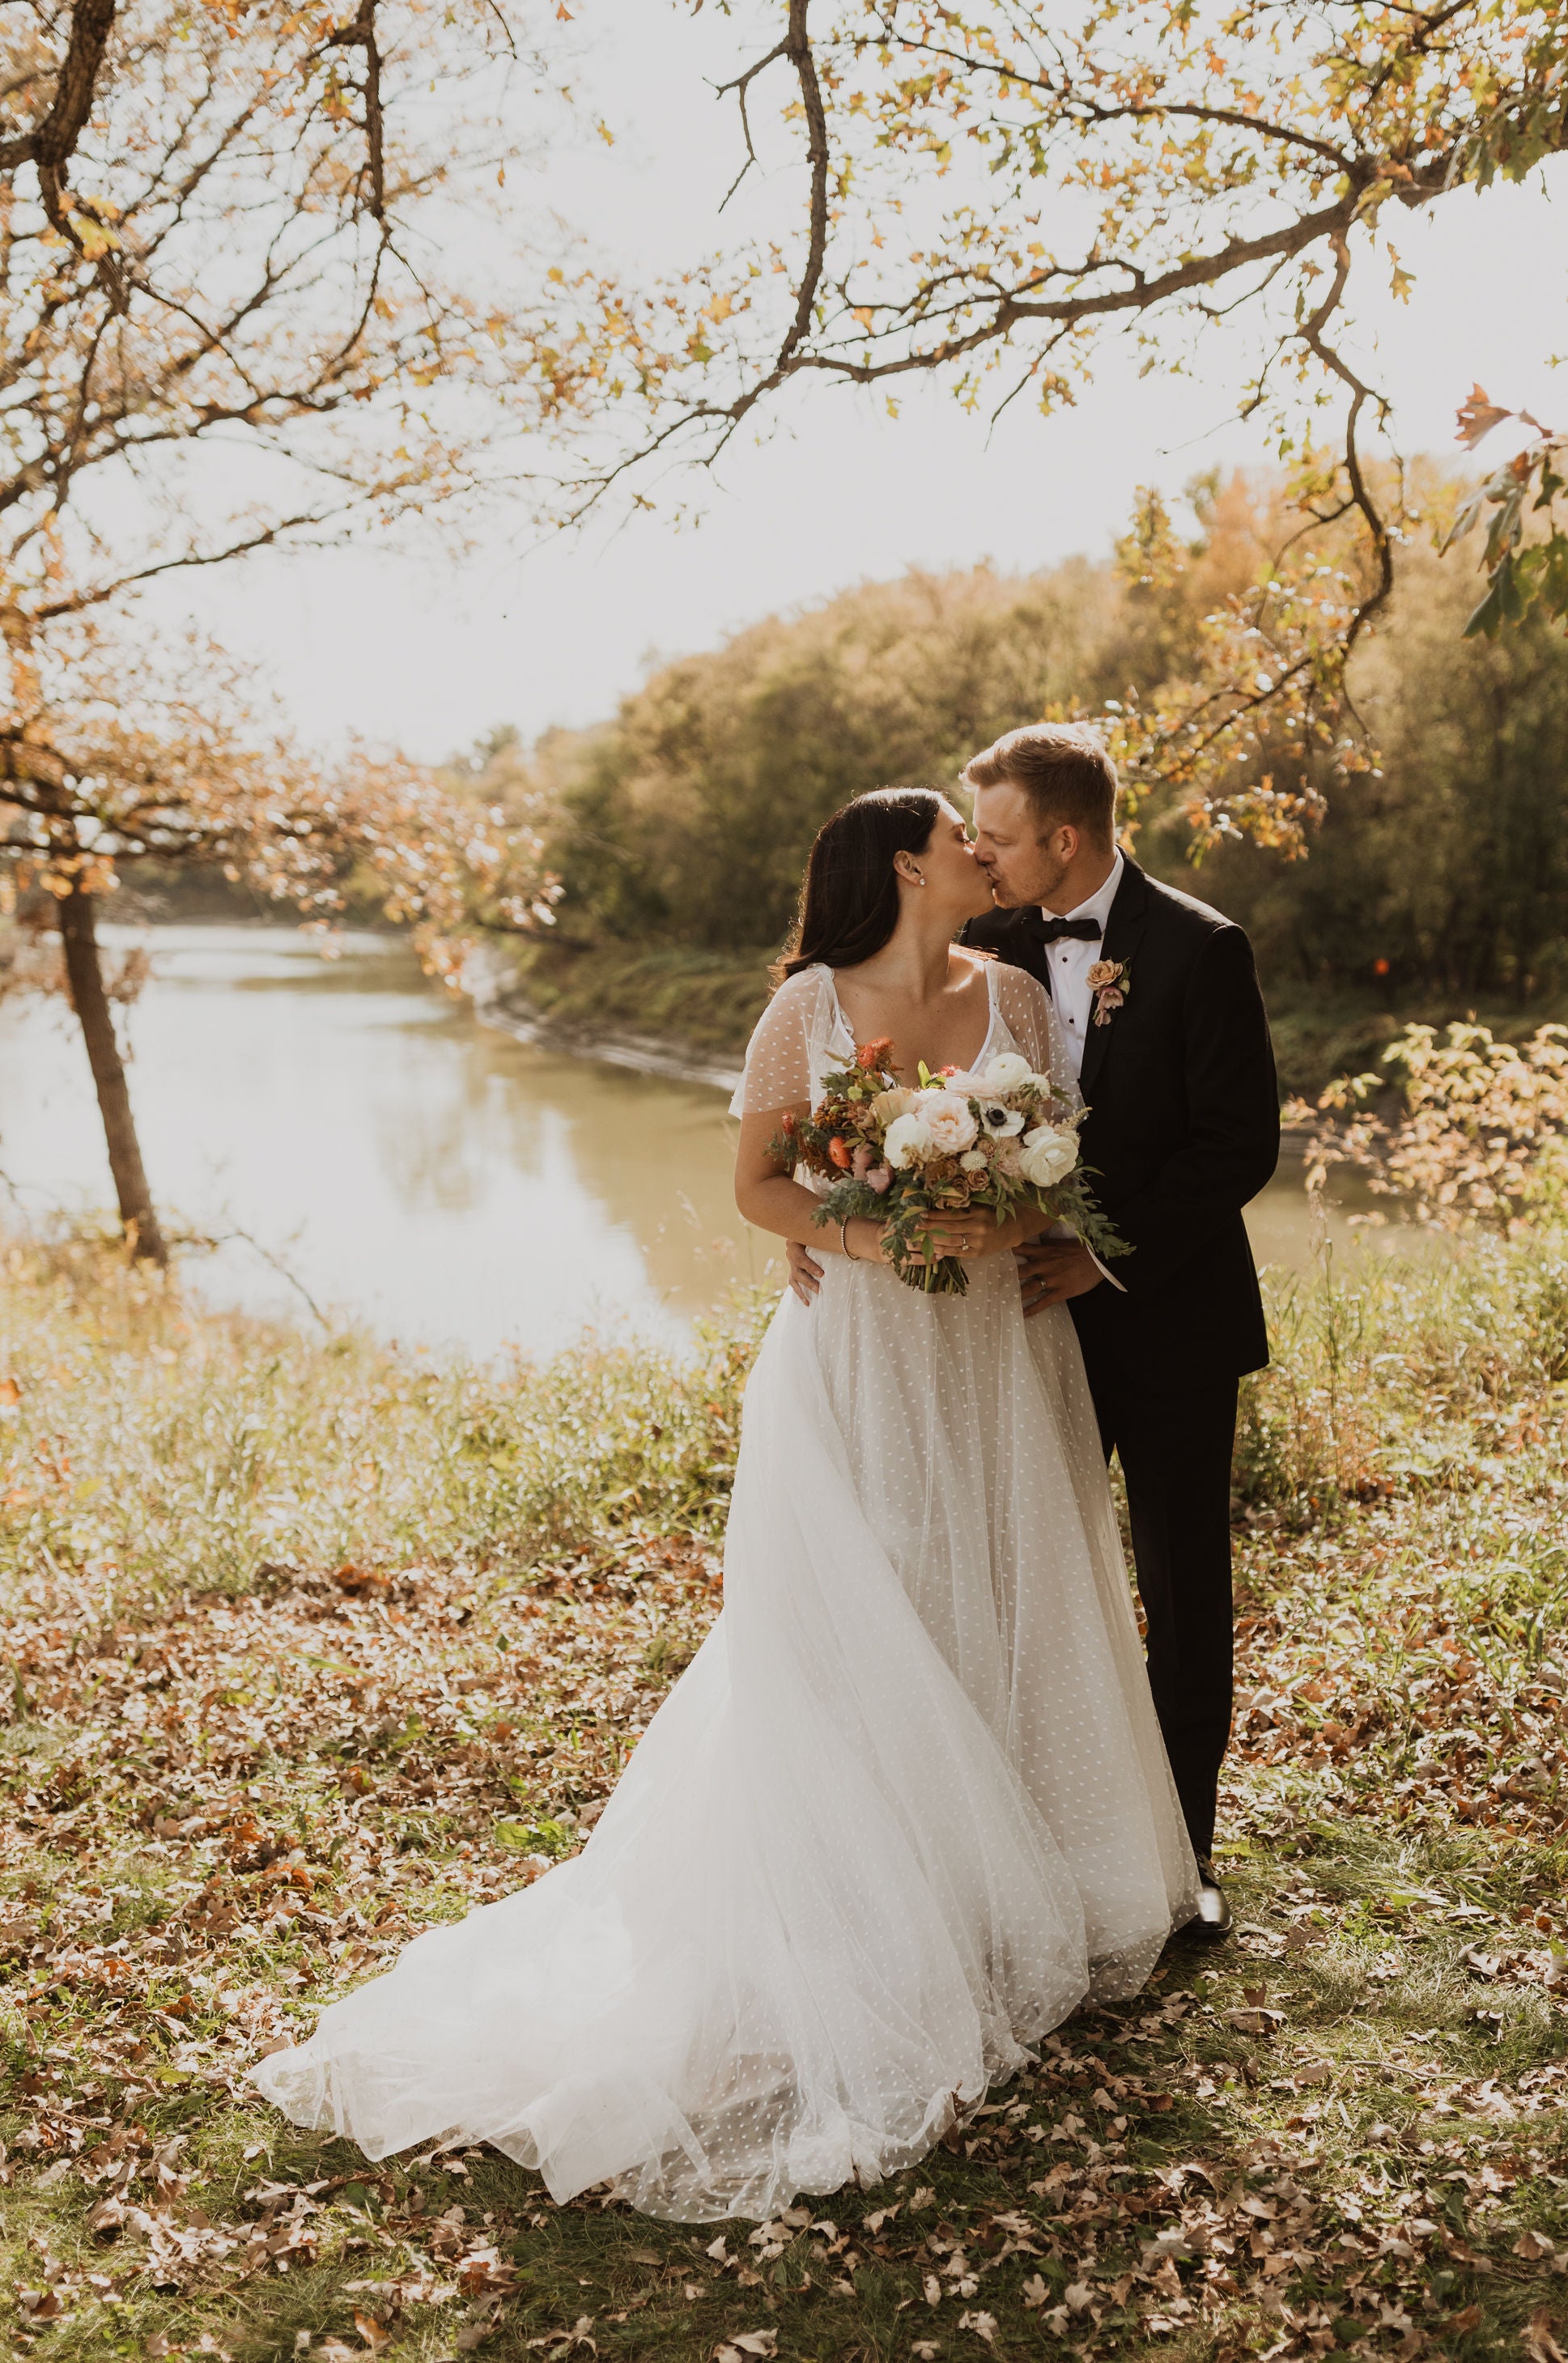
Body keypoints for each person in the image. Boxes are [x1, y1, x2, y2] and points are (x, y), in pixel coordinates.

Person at [254, 786, 1196, 2224]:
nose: (981, 853)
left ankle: (1020, 1878)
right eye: (958, 836)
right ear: (903, 864)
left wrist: (1003, 1218)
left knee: (1008, 1578)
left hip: (1003, 1351)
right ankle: (873, 1911)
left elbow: (1053, 1168)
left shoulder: (1011, 994)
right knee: (865, 1614)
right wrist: (873, 1230)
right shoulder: (804, 1011)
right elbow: (760, 1188)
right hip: (867, 1351)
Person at [789, 729, 1279, 1937]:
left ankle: (1182, 1862)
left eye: (996, 836)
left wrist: (1101, 1255)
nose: (981, 853)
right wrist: (820, 1212)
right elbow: (861, 1077)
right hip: (1003, 1335)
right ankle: (1019, 1850)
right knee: (1017, 1583)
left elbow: (1239, 1146)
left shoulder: (1203, 949)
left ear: (1065, 839)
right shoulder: (985, 942)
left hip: (1163, 1318)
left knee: (1179, 1589)